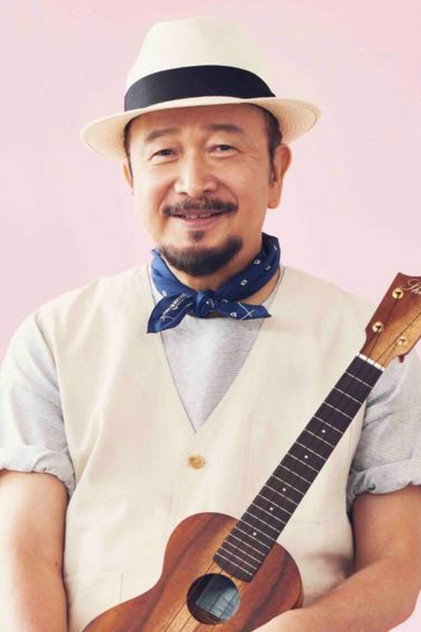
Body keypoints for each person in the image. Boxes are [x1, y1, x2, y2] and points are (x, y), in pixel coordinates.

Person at [0, 16, 420, 632]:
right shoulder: (54, 337)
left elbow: (398, 564)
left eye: (224, 147)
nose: (193, 182)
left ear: (276, 172)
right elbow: (24, 553)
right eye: (163, 152)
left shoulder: (371, 342)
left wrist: (308, 627)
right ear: (130, 177)